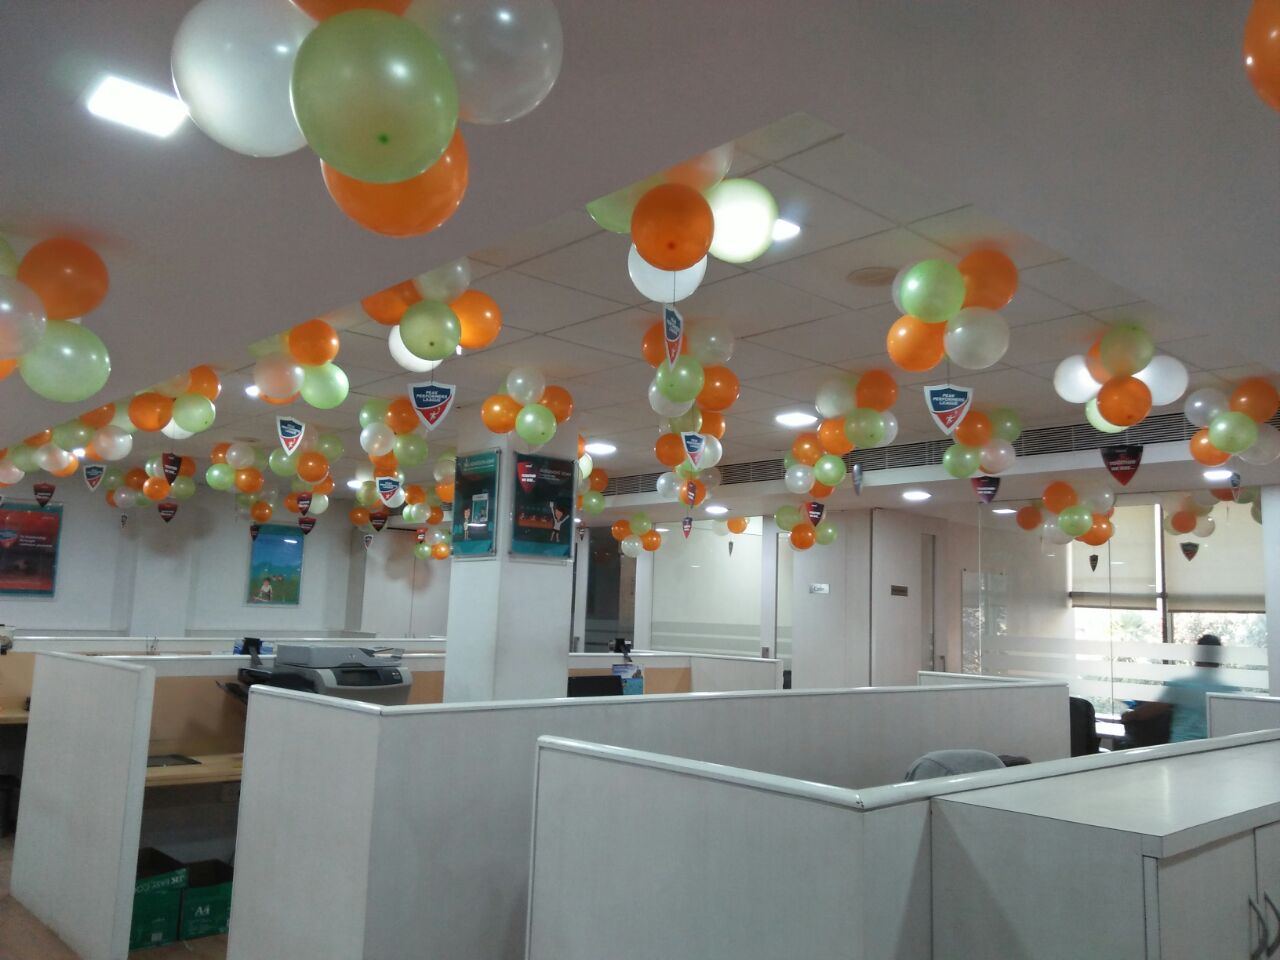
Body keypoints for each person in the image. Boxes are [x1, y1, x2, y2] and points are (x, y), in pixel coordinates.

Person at [1120, 634, 1235, 743]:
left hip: (1182, 747)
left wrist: (1129, 715)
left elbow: (1152, 710)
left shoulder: (1182, 684)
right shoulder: (1229, 689)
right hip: (1215, 749)